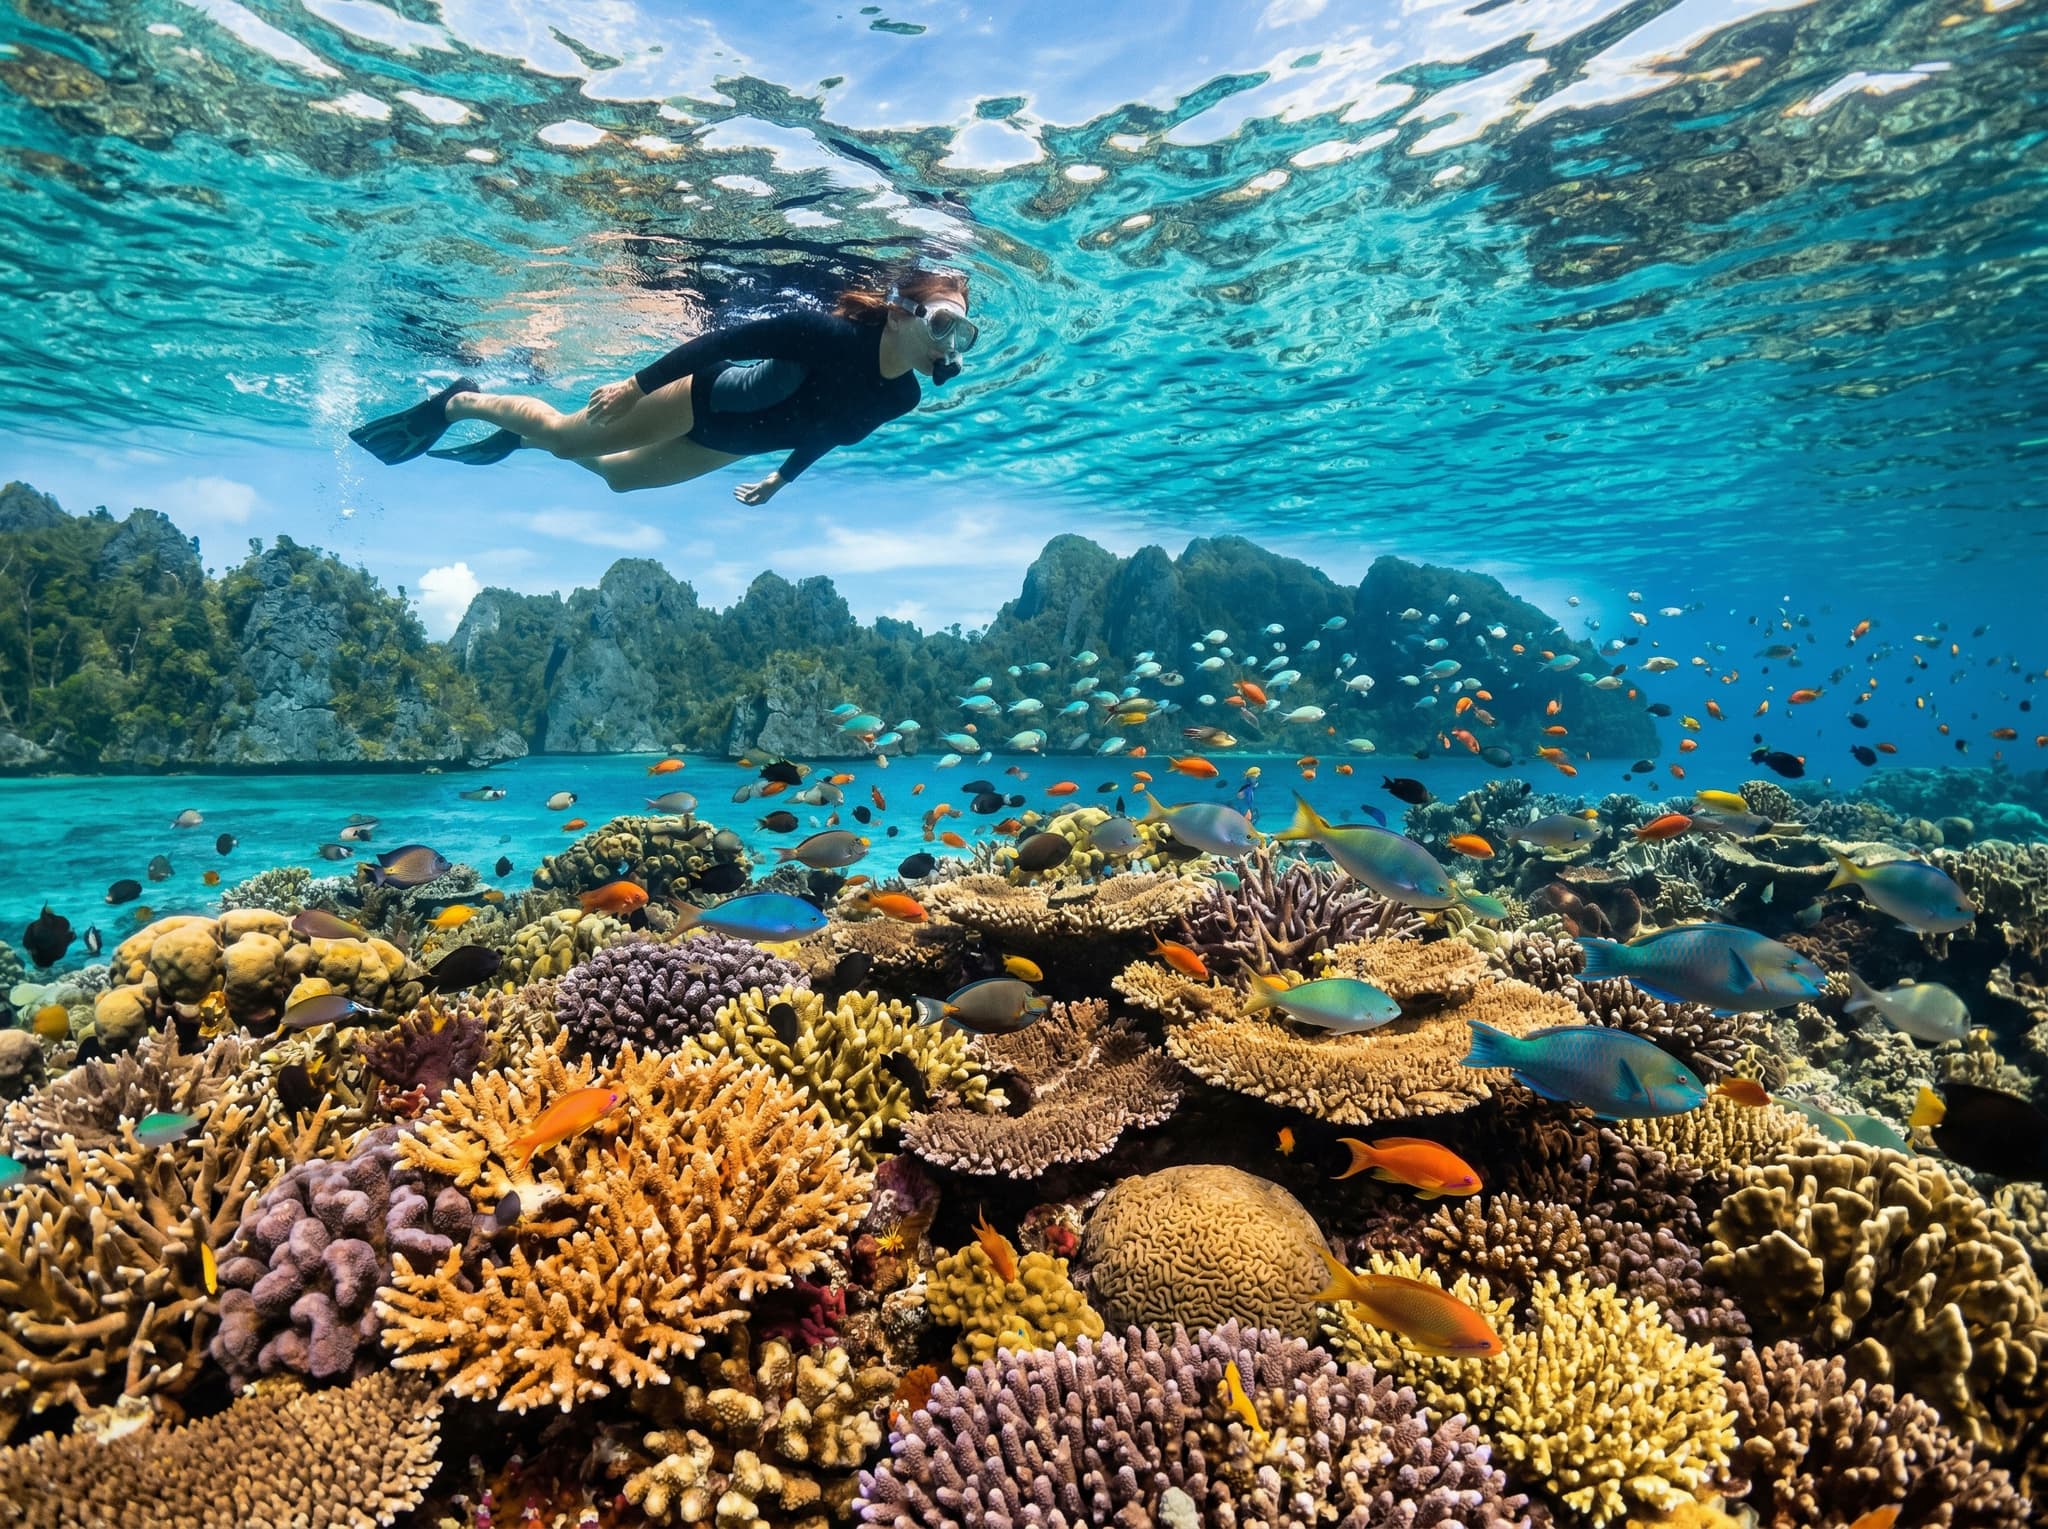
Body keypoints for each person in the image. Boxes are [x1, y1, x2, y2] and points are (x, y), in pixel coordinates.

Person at [347, 269, 976, 506]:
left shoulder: (902, 398)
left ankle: (519, 437)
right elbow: (724, 344)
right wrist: (634, 384)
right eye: (945, 323)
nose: (951, 343)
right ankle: (460, 401)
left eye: (964, 334)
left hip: (732, 445)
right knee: (570, 439)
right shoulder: (827, 334)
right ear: (901, 312)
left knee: (619, 479)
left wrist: (782, 479)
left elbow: (831, 432)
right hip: (704, 398)